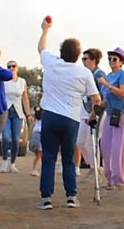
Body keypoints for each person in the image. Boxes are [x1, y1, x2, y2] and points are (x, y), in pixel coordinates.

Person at [36, 17, 101, 210]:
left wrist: (45, 30)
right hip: (71, 119)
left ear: (61, 52)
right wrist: (92, 116)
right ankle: (71, 196)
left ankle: (46, 198)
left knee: (48, 157)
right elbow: (96, 100)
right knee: (68, 158)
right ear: (78, 55)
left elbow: (41, 48)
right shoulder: (84, 73)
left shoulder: (51, 62)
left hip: (50, 115)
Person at [97, 47, 124, 191]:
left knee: (118, 147)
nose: (112, 61)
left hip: (123, 113)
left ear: (121, 62)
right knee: (105, 145)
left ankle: (118, 181)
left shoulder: (122, 75)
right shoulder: (108, 75)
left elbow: (123, 93)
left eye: (115, 59)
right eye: (110, 59)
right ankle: (109, 177)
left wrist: (107, 84)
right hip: (110, 113)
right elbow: (105, 98)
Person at [75, 48, 107, 179]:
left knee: (92, 141)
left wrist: (96, 112)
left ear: (93, 60)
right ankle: (94, 167)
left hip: (97, 112)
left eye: (85, 59)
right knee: (80, 141)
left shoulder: (99, 74)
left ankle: (95, 170)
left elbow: (103, 96)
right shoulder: (86, 73)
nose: (83, 61)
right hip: (85, 112)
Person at [1, 61, 34, 173]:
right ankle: (4, 161)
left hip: (18, 113)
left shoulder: (22, 82)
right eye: (9, 66)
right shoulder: (4, 81)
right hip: (5, 112)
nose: (11, 68)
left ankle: (12, 163)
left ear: (17, 68)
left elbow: (25, 99)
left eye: (13, 66)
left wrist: (28, 114)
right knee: (5, 137)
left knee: (16, 139)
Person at [29, 105, 43, 176]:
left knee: (38, 155)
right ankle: (34, 169)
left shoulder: (36, 119)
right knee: (39, 154)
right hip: (41, 134)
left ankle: (35, 169)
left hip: (35, 134)